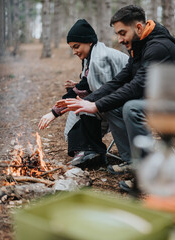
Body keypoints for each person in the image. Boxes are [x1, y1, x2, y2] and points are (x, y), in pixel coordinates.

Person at [59, 5, 175, 191]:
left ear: (137, 28)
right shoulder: (140, 46)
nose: (120, 39)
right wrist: (89, 101)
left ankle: (146, 175)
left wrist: (95, 106)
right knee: (114, 106)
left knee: (131, 107)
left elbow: (136, 87)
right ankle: (132, 160)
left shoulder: (157, 48)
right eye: (117, 34)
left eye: (122, 33)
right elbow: (120, 80)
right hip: (163, 100)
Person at [38, 19, 128, 168]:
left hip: (124, 102)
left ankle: (93, 151)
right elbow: (86, 85)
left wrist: (54, 113)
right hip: (114, 98)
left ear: (89, 42)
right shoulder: (91, 56)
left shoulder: (99, 59)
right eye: (72, 48)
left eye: (76, 46)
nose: (74, 52)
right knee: (75, 118)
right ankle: (86, 150)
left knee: (82, 107)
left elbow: (101, 93)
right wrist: (76, 88)